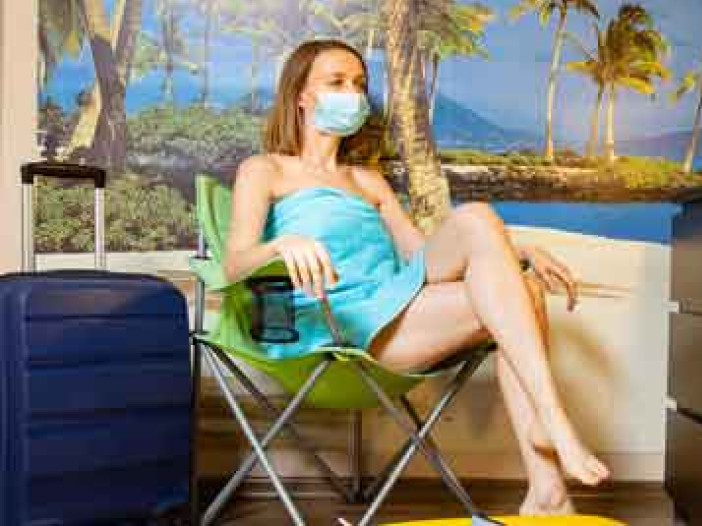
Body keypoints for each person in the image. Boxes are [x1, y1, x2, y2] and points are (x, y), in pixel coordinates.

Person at [221, 39, 609, 515]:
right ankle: (552, 423)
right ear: (301, 95)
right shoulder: (265, 170)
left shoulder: (368, 181)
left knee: (500, 252)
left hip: (393, 304)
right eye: (336, 82)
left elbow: (420, 256)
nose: (352, 94)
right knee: (498, 255)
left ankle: (547, 492)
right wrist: (281, 245)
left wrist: (519, 252)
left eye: (359, 84)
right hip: (335, 326)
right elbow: (235, 264)